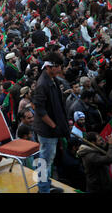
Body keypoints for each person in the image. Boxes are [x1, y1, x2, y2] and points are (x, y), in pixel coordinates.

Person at [32, 52, 69, 193]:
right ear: (49, 66)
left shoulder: (53, 79)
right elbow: (39, 109)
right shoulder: (43, 84)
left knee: (48, 159)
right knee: (44, 161)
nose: (59, 69)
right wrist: (54, 125)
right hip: (47, 130)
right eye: (57, 66)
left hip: (52, 129)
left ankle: (45, 183)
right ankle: (43, 190)